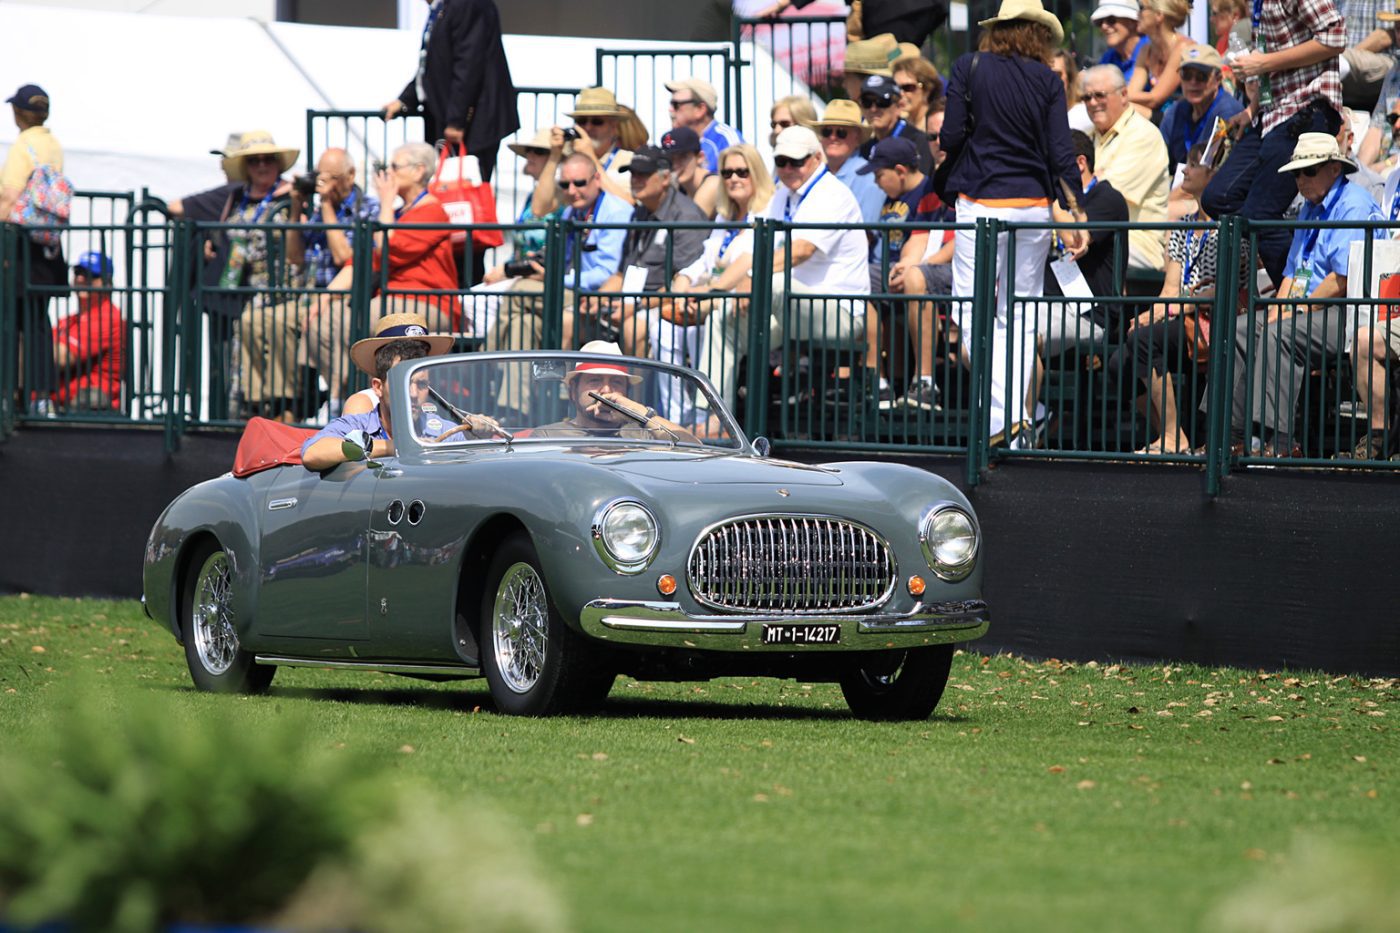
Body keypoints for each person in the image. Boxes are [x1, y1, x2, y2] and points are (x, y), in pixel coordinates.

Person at [942, 0, 1086, 442]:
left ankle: (1001, 418)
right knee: (1019, 313)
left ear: (998, 29)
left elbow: (949, 135)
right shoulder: (1048, 80)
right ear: (1039, 35)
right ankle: (1012, 421)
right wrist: (1077, 211)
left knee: (971, 309)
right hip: (1032, 205)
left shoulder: (968, 67)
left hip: (980, 201)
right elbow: (1061, 152)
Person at [1228, 133, 1382, 457]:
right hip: (1312, 307)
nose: (1301, 180)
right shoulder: (1309, 209)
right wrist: (1279, 308)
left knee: (1279, 334)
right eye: (1296, 173)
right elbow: (1293, 270)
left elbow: (1341, 279)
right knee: (1244, 327)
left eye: (1309, 171)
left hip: (1352, 309)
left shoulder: (1353, 203)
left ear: (1335, 169)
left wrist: (1296, 309)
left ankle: (1282, 442)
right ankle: (1234, 436)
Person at [1200, 0, 1346, 288]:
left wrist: (1263, 63)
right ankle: (1298, 256)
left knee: (1260, 215)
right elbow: (1273, 67)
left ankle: (1300, 299)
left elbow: (1335, 36)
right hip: (1271, 114)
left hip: (1307, 109)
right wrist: (1251, 109)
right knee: (1218, 198)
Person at [312, 142, 461, 415]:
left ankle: (365, 403)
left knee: (356, 318)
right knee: (321, 319)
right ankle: (345, 398)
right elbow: (363, 261)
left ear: (418, 171)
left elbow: (388, 248)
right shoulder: (400, 214)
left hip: (424, 302)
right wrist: (325, 296)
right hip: (390, 301)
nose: (387, 173)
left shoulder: (431, 210)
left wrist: (385, 203)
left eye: (393, 166)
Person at [237, 148, 379, 422]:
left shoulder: (367, 208)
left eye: (331, 177)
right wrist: (295, 208)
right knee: (252, 321)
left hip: (344, 299)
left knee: (280, 322)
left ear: (350, 176)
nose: (324, 184)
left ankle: (289, 406)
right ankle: (261, 403)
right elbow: (295, 257)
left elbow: (344, 257)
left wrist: (326, 206)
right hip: (310, 297)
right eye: (319, 177)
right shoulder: (318, 210)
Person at [1108, 142, 1221, 454]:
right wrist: (1152, 312)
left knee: (1144, 340)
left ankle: (1171, 437)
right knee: (1119, 360)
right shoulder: (1183, 226)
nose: (1184, 171)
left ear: (1213, 174)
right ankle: (1173, 435)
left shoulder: (1228, 225)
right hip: (1182, 316)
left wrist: (1169, 309)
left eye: (1194, 165)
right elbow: (1170, 287)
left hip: (1213, 318)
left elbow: (1221, 289)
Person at [485, 152, 632, 355]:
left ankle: (483, 361)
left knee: (520, 291)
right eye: (564, 184)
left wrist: (555, 279)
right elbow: (560, 257)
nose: (571, 191)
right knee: (524, 323)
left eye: (579, 183)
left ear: (597, 179)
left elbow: (606, 273)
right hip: (570, 290)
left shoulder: (616, 212)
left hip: (595, 298)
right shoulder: (571, 211)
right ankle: (511, 376)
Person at [669, 144, 775, 419]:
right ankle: (676, 415)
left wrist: (706, 291)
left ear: (757, 173)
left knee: (709, 323)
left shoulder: (768, 211)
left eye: (742, 172)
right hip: (710, 295)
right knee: (663, 329)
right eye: (727, 173)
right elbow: (706, 260)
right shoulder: (724, 215)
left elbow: (750, 261)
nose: (733, 179)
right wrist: (684, 277)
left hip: (745, 302)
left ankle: (712, 417)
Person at [300, 315, 482, 470]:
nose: (413, 394)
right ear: (378, 387)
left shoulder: (443, 430)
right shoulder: (359, 424)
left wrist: (479, 433)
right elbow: (312, 453)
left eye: (421, 384)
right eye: (402, 383)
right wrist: (392, 447)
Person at [586, 146, 709, 357]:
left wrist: (635, 305)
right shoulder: (639, 213)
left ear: (665, 178)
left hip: (666, 305)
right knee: (570, 319)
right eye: (633, 173)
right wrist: (598, 298)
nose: (635, 179)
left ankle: (633, 381)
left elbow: (681, 283)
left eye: (643, 174)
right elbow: (621, 274)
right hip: (629, 302)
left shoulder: (687, 217)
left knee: (633, 328)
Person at [381, 0, 518, 183]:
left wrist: (456, 121)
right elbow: (434, 63)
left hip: (472, 121)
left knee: (466, 190)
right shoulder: (443, 7)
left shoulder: (467, 4)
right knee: (444, 187)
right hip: (450, 117)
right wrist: (405, 99)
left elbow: (469, 64)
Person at [765, 126, 871, 355]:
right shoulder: (781, 195)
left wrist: (752, 276)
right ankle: (708, 382)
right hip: (793, 306)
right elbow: (757, 248)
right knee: (722, 319)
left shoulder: (832, 193)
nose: (788, 168)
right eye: (781, 161)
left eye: (796, 161)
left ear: (817, 158)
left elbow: (802, 250)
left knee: (772, 285)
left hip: (840, 312)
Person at [857, 136, 944, 410]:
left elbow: (925, 237)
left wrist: (909, 264)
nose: (876, 182)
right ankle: (877, 381)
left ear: (900, 171)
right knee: (860, 277)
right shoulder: (891, 197)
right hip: (894, 266)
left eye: (879, 175)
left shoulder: (929, 192)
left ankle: (924, 382)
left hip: (926, 268)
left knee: (913, 279)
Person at [0, 83, 64, 414]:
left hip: (19, 244)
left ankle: (9, 393)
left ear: (19, 113)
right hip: (47, 245)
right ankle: (40, 396)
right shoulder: (52, 144)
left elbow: (9, 196)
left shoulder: (23, 145)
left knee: (9, 320)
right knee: (38, 321)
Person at [472, 128, 569, 341]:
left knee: (475, 302)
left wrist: (507, 271)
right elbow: (520, 244)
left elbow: (547, 246)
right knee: (517, 321)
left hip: (536, 274)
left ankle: (486, 357)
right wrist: (504, 269)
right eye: (529, 151)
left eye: (539, 152)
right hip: (518, 271)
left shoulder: (565, 195)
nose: (530, 155)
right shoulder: (531, 196)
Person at [1042, 130, 1132, 346]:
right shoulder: (1053, 204)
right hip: (1044, 303)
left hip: (1088, 315)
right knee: (980, 341)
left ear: (1080, 163)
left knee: (1022, 340)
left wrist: (1048, 197)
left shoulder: (1107, 198)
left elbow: (1075, 239)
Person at [1084, 65, 1171, 270]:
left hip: (1135, 242)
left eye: (1100, 95)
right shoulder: (1088, 135)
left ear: (1124, 95)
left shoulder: (1143, 135)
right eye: (1086, 97)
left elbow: (1106, 197)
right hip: (1095, 233)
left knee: (1073, 250)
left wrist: (1088, 183)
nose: (1093, 103)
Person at [530, 340, 699, 443]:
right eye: (595, 380)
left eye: (616, 382)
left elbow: (693, 449)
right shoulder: (549, 436)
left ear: (627, 392)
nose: (606, 390)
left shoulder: (644, 435)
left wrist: (640, 413)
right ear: (573, 390)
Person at [52, 251, 125, 413]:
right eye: (78, 272)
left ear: (107, 283)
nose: (80, 279)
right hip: (61, 408)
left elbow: (60, 357)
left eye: (90, 275)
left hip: (91, 413)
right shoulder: (68, 320)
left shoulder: (108, 317)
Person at [1158, 46, 1245, 175]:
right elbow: (1160, 162)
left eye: (1201, 76)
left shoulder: (1229, 114)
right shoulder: (1175, 111)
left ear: (1218, 79)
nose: (1193, 82)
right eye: (1186, 75)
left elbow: (1214, 172)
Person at [807, 99, 885, 222]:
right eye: (827, 131)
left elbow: (867, 230)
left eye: (841, 132)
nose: (833, 137)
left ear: (857, 137)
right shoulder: (814, 174)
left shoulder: (869, 178)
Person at [1126, 0, 1198, 116]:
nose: (1137, 14)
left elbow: (1155, 98)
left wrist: (1114, 95)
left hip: (1182, 120)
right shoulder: (1146, 50)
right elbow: (1131, 91)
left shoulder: (1183, 48)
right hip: (1158, 117)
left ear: (1159, 15)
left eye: (1141, 8)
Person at [858, 75, 935, 175]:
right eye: (867, 102)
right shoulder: (866, 148)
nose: (873, 109)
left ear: (899, 106)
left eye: (882, 102)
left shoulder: (918, 142)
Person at [664, 77, 742, 173]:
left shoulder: (726, 139)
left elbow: (741, 176)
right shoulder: (675, 141)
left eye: (676, 105)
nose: (670, 109)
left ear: (700, 109)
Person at [1338, 0, 1397, 111]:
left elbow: (1385, 36)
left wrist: (1346, 59)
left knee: (1330, 61)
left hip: (1382, 60)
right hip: (1346, 59)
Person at [660, 126, 720, 218]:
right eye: (670, 159)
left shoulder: (713, 183)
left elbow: (691, 221)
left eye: (682, 157)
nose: (675, 165)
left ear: (700, 157)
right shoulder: (679, 187)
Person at [1094, 0, 1152, 88]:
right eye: (1100, 21)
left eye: (1111, 20)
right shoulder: (1108, 58)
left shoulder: (1152, 49)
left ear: (1132, 22)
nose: (1104, 26)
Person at [892, 54, 943, 130]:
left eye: (908, 87)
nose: (901, 93)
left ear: (927, 89)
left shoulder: (937, 127)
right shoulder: (896, 127)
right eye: (896, 87)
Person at [1051, 49, 1096, 133]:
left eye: (1057, 74)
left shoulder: (1082, 115)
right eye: (1045, 74)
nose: (1049, 80)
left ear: (1069, 78)